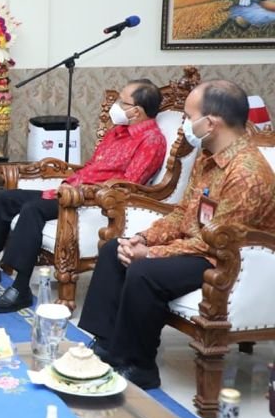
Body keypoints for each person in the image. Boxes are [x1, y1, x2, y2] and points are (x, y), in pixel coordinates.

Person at [78, 80, 275, 389]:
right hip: (199, 245)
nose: (184, 125)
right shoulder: (208, 156)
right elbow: (183, 212)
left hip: (229, 258)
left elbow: (217, 242)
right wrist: (143, 239)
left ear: (210, 123)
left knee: (144, 271)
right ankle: (107, 346)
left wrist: (150, 254)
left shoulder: (246, 174)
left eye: (188, 116)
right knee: (115, 248)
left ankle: (140, 366)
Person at [0, 79, 168, 313]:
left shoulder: (151, 140)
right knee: (7, 198)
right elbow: (92, 166)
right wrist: (69, 182)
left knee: (32, 210)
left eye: (122, 101)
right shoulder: (118, 131)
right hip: (72, 190)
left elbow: (128, 185)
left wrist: (81, 191)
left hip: (92, 201)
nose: (116, 106)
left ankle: (21, 289)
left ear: (136, 111)